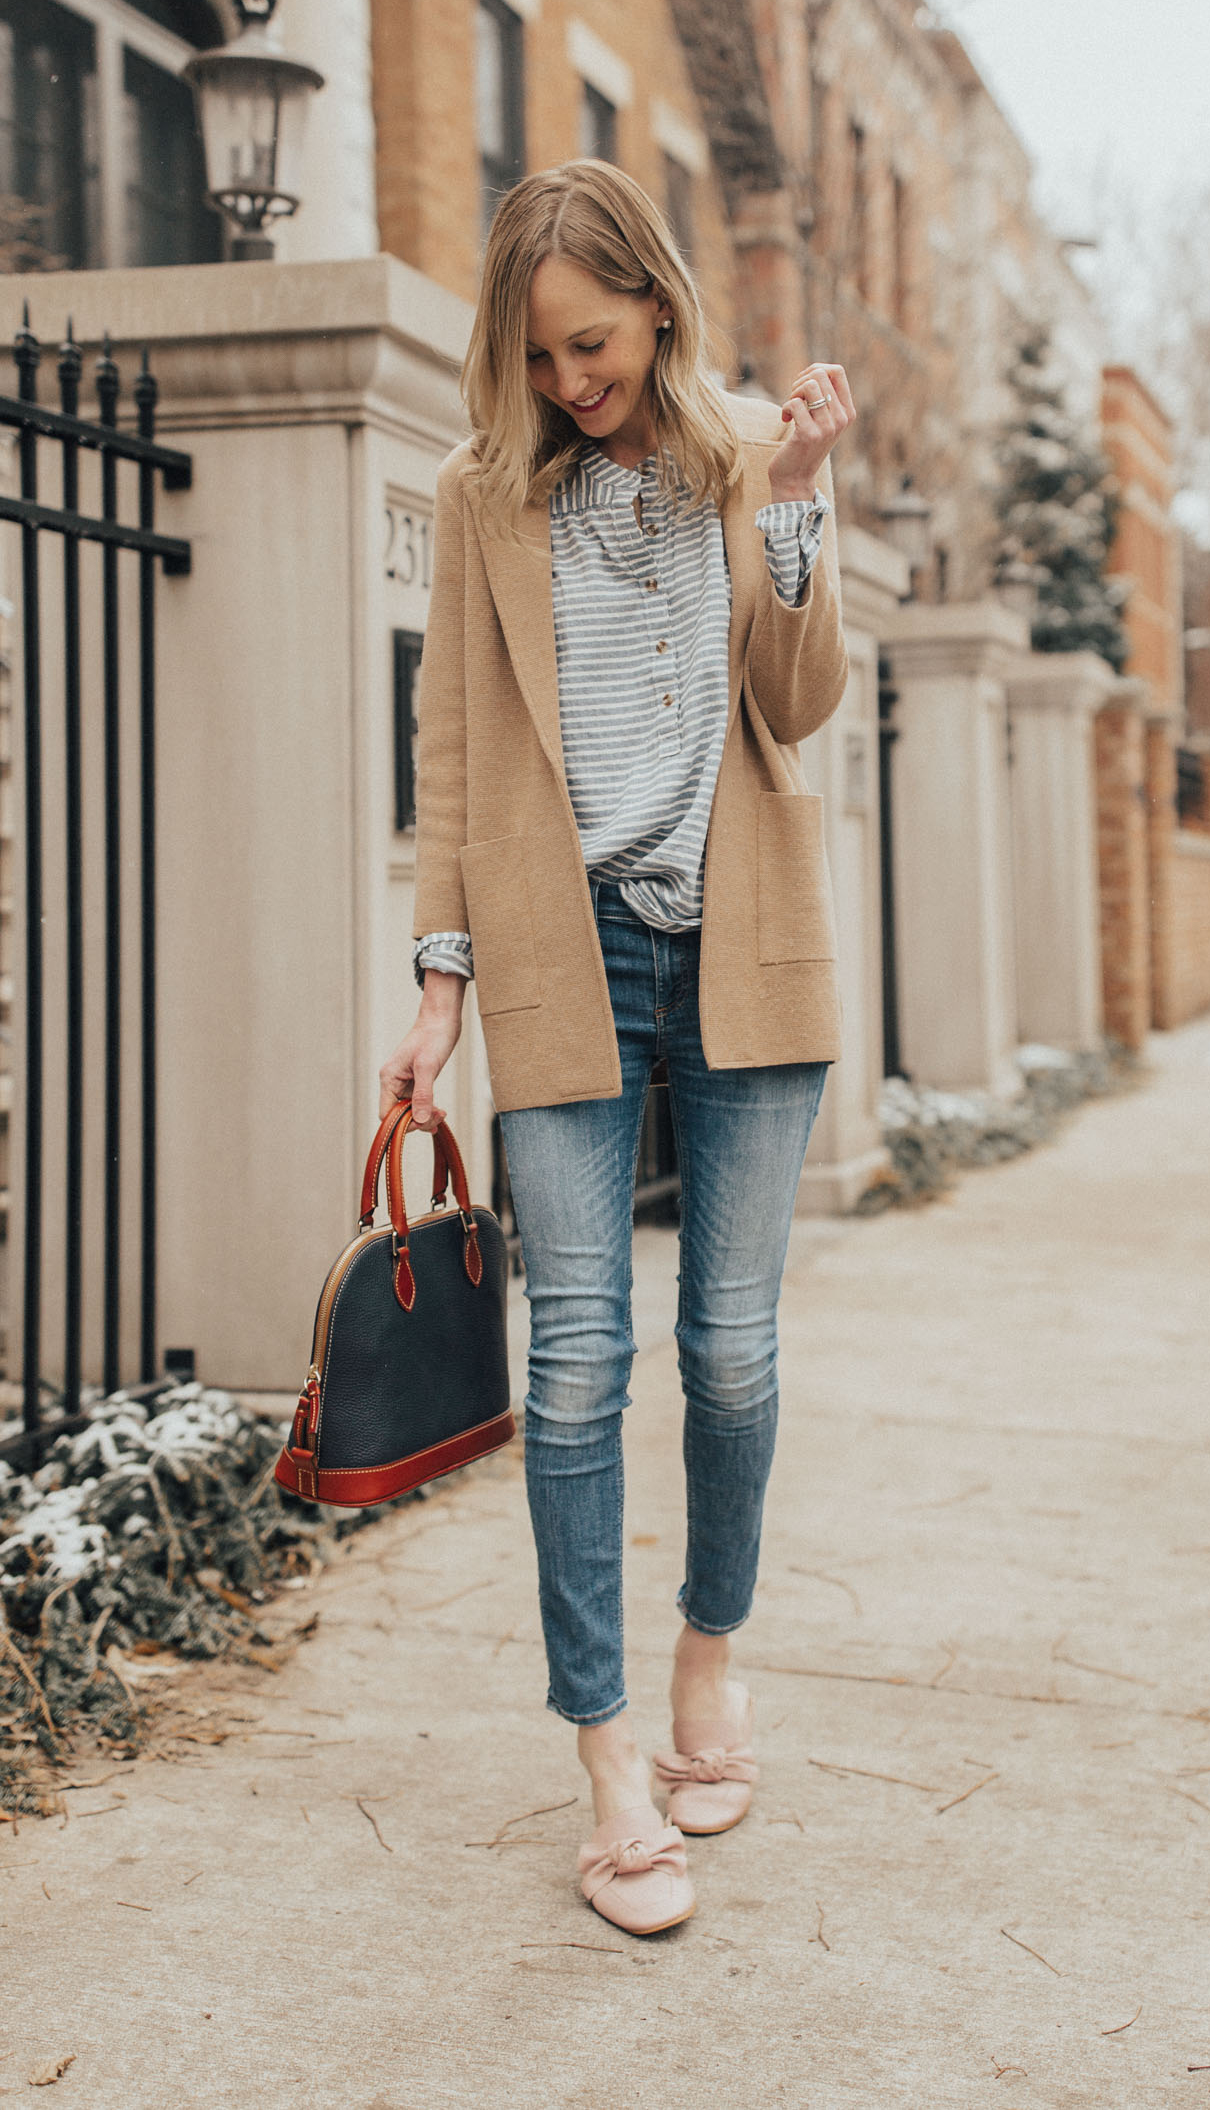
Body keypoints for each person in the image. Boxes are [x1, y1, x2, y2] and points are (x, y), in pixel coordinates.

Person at [379, 157, 855, 1936]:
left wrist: (799, 501)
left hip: (745, 949)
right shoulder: (483, 493)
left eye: (592, 343)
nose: (572, 380)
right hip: (562, 955)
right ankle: (601, 1763)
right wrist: (438, 989)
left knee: (729, 1350)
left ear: (656, 302)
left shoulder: (751, 461)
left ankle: (706, 1666)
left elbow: (799, 707)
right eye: (540, 355)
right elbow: (453, 760)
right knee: (577, 1363)